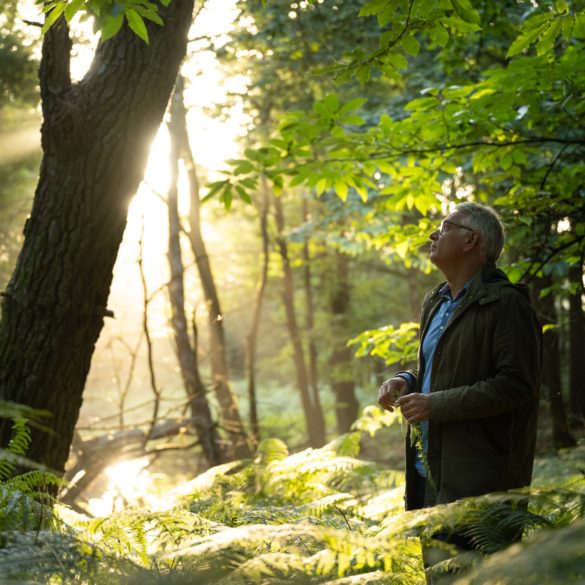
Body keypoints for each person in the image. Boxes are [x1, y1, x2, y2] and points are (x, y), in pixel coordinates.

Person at [377, 202, 542, 583]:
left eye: (445, 227)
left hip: (479, 482)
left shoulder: (507, 304)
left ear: (472, 240)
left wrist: (436, 405)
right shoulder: (435, 300)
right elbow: (441, 370)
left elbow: (516, 385)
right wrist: (405, 379)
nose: (434, 235)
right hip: (429, 474)